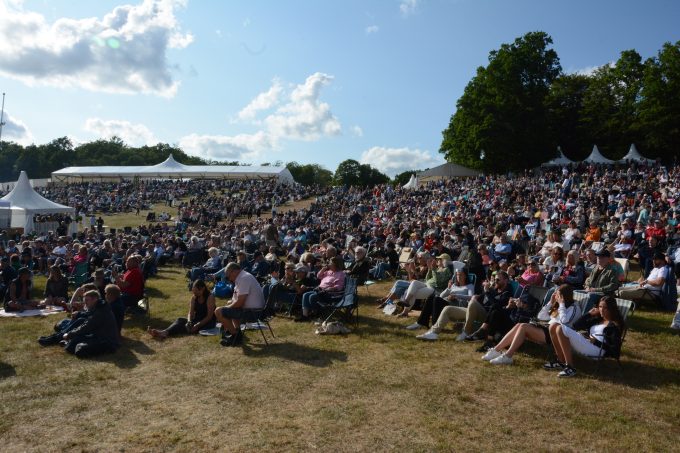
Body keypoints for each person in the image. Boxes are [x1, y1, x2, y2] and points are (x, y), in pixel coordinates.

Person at [481, 284, 580, 365]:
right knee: (519, 325)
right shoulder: (558, 306)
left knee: (523, 327)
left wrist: (561, 304)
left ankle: (508, 356)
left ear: (563, 296)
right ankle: (496, 350)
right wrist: (550, 302)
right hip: (547, 329)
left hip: (558, 335)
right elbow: (541, 316)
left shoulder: (574, 307)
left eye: (558, 295)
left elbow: (564, 321)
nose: (557, 298)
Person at [417, 271, 512, 342]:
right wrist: (480, 295)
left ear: (506, 280)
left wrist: (487, 292)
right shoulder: (494, 289)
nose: (495, 281)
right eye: (495, 279)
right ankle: (434, 332)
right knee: (448, 308)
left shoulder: (507, 292)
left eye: (498, 279)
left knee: (473, 303)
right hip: (476, 310)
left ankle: (466, 332)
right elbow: (481, 298)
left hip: (488, 316)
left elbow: (496, 305)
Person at [549, 295, 625, 377]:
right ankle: (560, 361)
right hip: (588, 343)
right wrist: (588, 314)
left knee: (560, 328)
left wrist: (596, 342)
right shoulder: (598, 319)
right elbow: (576, 326)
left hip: (597, 350)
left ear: (611, 309)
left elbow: (615, 351)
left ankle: (570, 367)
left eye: (605, 308)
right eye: (600, 307)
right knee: (553, 326)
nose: (601, 310)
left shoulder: (614, 326)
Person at [214, 262, 266, 347]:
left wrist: (226, 308)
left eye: (228, 276)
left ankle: (236, 336)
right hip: (254, 310)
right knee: (230, 308)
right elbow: (238, 300)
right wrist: (230, 304)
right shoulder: (243, 276)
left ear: (234, 271)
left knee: (218, 311)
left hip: (253, 313)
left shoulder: (244, 278)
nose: (229, 279)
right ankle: (237, 332)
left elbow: (240, 303)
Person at [406, 268, 474, 330]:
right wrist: (448, 288)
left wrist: (456, 296)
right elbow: (441, 295)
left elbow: (471, 297)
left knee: (437, 300)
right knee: (431, 298)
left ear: (465, 276)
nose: (458, 277)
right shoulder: (454, 285)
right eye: (457, 275)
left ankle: (434, 325)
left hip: (457, 305)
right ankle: (421, 323)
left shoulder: (469, 286)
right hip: (447, 301)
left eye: (461, 275)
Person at [60, 290, 120, 358]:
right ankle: (68, 344)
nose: (85, 303)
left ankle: (68, 345)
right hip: (99, 336)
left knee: (80, 348)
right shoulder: (97, 307)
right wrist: (71, 334)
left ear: (95, 299)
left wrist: (69, 334)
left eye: (87, 300)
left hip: (108, 341)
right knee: (75, 340)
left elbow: (86, 327)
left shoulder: (100, 311)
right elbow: (86, 323)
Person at [148, 280, 216, 339]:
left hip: (208, 322)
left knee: (187, 327)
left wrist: (198, 325)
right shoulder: (194, 297)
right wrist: (189, 321)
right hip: (197, 320)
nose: (194, 293)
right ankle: (165, 332)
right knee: (180, 320)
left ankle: (164, 333)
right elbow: (190, 312)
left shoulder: (210, 297)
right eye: (193, 291)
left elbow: (209, 316)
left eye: (196, 292)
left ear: (202, 289)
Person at [295, 256, 346, 322]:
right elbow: (318, 276)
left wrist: (330, 288)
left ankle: (316, 314)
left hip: (330, 294)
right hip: (320, 290)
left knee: (312, 297)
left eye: (330, 263)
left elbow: (339, 287)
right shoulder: (329, 272)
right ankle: (305, 316)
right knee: (306, 295)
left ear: (335, 264)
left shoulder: (340, 274)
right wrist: (323, 269)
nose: (328, 264)